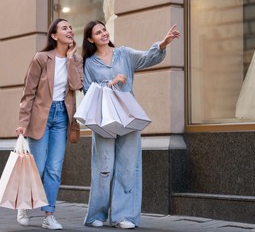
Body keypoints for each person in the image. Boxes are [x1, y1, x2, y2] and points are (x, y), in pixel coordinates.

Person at [81, 20, 180, 229]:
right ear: (90, 39)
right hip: (103, 119)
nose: (104, 34)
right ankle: (97, 214)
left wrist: (162, 44)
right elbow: (88, 90)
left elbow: (146, 58)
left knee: (128, 166)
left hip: (128, 116)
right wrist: (111, 82)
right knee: (103, 166)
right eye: (98, 33)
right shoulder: (89, 63)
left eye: (104, 30)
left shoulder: (123, 53)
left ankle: (123, 216)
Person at [15, 18, 83, 230]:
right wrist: (22, 123)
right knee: (39, 167)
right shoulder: (41, 58)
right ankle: (24, 205)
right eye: (64, 28)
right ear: (54, 36)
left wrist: (71, 59)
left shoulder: (76, 59)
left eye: (71, 27)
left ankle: (48, 215)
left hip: (62, 117)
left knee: (54, 169)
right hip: (40, 116)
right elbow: (29, 93)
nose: (70, 30)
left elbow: (77, 85)